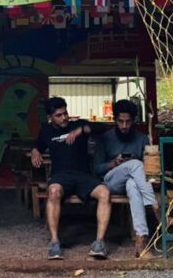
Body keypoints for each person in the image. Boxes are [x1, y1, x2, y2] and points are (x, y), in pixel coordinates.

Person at [30, 96, 111, 260]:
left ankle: (99, 243)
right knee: (52, 191)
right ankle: (54, 243)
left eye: (65, 113)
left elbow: (101, 128)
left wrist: (82, 130)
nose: (64, 117)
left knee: (105, 193)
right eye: (59, 115)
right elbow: (38, 145)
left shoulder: (78, 124)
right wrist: (35, 151)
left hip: (83, 176)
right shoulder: (46, 130)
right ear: (50, 117)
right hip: (60, 176)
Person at [95, 99, 159, 256]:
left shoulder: (142, 138)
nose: (124, 126)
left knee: (132, 184)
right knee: (135, 164)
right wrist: (114, 163)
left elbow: (149, 167)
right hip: (111, 181)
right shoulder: (106, 138)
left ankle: (141, 239)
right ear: (115, 120)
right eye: (121, 121)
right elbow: (96, 168)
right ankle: (153, 205)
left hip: (136, 182)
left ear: (134, 121)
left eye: (128, 122)